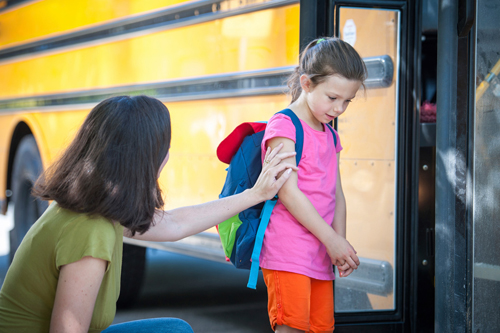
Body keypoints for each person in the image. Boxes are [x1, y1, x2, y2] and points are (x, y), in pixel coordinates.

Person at [0, 95, 298, 333]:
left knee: (173, 329)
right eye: (164, 148)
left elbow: (174, 223)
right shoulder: (90, 231)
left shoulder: (97, 207)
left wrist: (254, 195)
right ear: (145, 161)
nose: (167, 156)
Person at [259, 37, 366, 333]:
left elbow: (337, 194)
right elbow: (288, 192)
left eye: (347, 100)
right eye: (333, 98)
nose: (340, 108)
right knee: (292, 327)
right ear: (306, 83)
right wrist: (332, 241)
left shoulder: (330, 135)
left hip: (321, 253)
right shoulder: (284, 126)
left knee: (321, 328)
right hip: (288, 251)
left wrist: (339, 244)